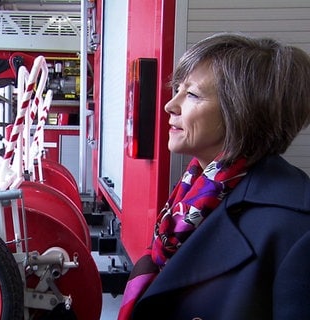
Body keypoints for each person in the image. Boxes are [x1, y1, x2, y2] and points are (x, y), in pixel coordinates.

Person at [118, 32, 310, 320]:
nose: (170, 105)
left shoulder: (296, 227)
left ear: (243, 111)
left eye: (192, 94)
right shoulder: (198, 192)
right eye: (178, 89)